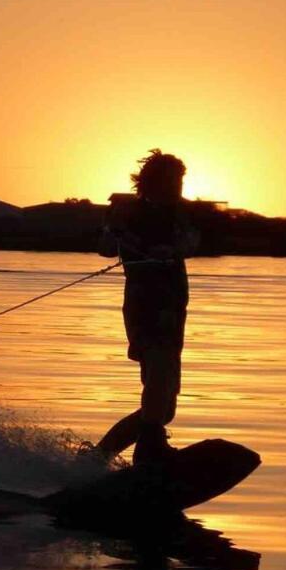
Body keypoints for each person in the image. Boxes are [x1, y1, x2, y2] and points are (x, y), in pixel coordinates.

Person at [87, 150, 199, 469]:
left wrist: (174, 248)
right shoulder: (129, 212)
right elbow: (105, 249)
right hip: (146, 306)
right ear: (152, 183)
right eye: (172, 181)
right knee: (159, 377)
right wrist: (115, 230)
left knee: (165, 408)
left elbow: (191, 243)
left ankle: (97, 457)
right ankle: (149, 451)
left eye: (180, 180)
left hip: (174, 308)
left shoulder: (181, 215)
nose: (178, 186)